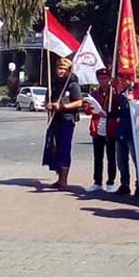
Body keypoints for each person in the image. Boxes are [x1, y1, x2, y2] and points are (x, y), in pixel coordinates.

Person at [42, 57, 83, 189]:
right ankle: (59, 177)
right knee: (54, 148)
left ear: (69, 70)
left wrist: (63, 107)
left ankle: (64, 180)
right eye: (59, 68)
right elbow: (48, 98)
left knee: (64, 148)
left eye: (63, 69)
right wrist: (48, 104)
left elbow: (79, 102)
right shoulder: (53, 82)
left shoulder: (72, 84)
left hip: (67, 119)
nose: (60, 71)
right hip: (54, 119)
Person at [86, 68, 119, 193]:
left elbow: (119, 111)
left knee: (111, 156)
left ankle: (111, 182)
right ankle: (97, 181)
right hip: (97, 126)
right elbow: (88, 110)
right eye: (100, 78)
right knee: (97, 156)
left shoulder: (114, 93)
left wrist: (109, 114)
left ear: (109, 79)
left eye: (105, 78)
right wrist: (89, 106)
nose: (103, 81)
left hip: (110, 127)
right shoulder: (95, 93)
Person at [115, 71, 139, 197]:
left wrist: (134, 100)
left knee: (137, 160)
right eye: (121, 79)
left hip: (134, 131)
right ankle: (124, 184)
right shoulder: (121, 93)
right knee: (121, 160)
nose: (122, 81)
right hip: (122, 129)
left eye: (125, 78)